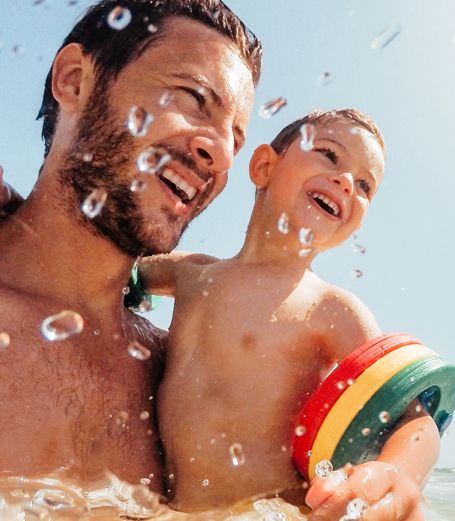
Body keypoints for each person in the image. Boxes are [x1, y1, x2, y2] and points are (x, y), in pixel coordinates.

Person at [0, 2, 425, 519]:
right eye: (193, 99)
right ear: (73, 81)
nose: (223, 156)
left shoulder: (162, 359)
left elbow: (401, 413)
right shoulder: (191, 289)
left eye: (236, 138)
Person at [138, 109, 438, 518]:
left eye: (365, 185)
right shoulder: (191, 275)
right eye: (330, 155)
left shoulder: (330, 308)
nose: (346, 182)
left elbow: (415, 418)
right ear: (264, 166)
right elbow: (114, 266)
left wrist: (394, 474)